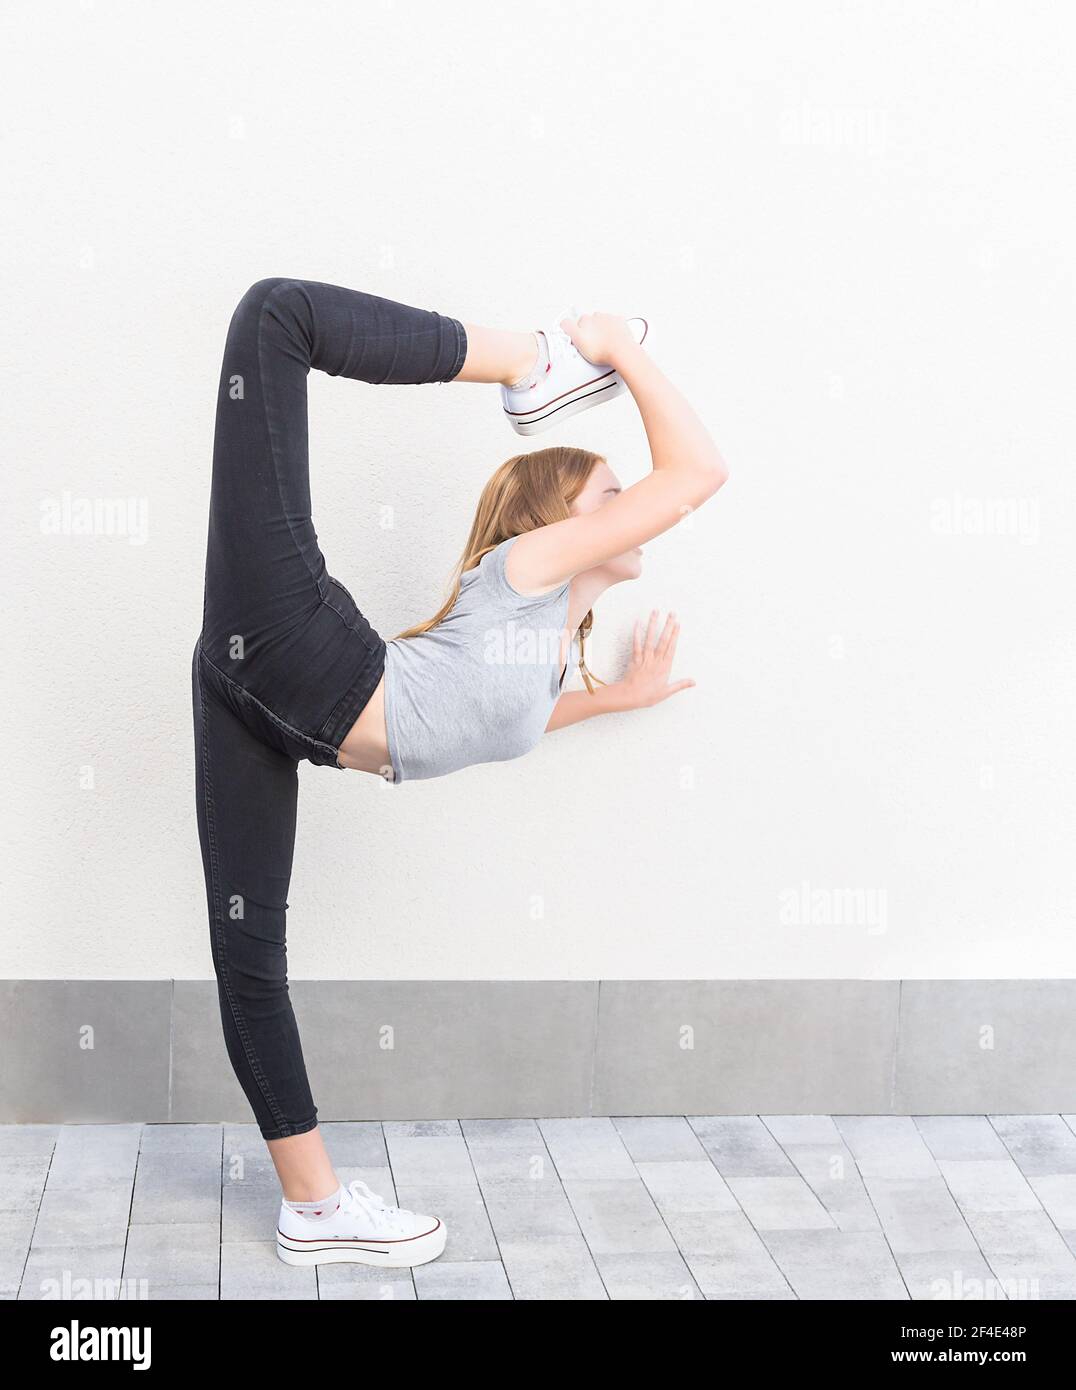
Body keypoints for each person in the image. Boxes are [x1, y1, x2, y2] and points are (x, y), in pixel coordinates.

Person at [192, 279, 728, 1267]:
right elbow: (696, 470)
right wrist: (617, 349)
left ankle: (313, 1211)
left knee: (248, 961)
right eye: (611, 496)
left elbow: (506, 716)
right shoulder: (528, 569)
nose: (632, 515)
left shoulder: (538, 647)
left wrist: (615, 699)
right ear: (559, 518)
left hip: (266, 705)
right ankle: (529, 362)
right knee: (273, 316)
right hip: (299, 657)